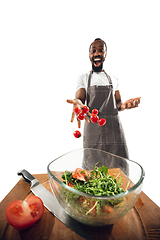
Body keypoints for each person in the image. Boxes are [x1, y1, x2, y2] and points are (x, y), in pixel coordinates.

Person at [67, 38, 140, 163]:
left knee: (119, 167)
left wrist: (124, 106)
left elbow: (118, 103)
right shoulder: (83, 78)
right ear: (89, 55)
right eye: (93, 51)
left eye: (101, 50)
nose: (97, 53)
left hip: (114, 130)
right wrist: (78, 102)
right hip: (93, 131)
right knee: (92, 167)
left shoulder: (113, 78)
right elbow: (80, 98)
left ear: (105, 54)